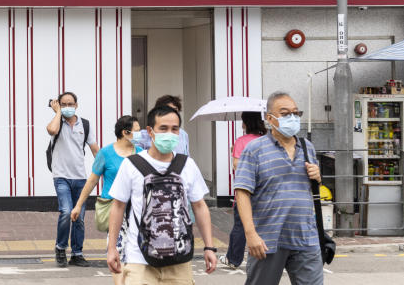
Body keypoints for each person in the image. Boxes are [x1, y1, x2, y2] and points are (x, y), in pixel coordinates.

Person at [106, 104, 218, 284]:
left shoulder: (187, 164)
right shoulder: (131, 165)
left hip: (178, 258)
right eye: (163, 128)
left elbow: (199, 206)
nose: (169, 134)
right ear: (150, 131)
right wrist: (112, 248)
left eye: (175, 129)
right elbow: (118, 206)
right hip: (139, 258)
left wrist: (209, 247)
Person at [234, 91, 323, 285]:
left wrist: (317, 177)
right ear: (269, 118)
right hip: (267, 240)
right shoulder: (254, 149)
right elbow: (242, 192)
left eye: (295, 113)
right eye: (285, 114)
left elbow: (311, 188)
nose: (292, 118)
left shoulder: (307, 147)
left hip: (305, 238)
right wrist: (250, 234)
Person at [70, 115, 140, 285]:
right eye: (137, 131)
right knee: (117, 250)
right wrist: (78, 205)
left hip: (137, 211)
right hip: (114, 209)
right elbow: (92, 180)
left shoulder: (141, 153)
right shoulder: (106, 153)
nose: (140, 135)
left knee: (137, 253)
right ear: (125, 132)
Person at [47, 91, 99, 267]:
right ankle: (60, 248)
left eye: (71, 104)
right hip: (61, 176)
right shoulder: (57, 123)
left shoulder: (85, 125)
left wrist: (102, 170)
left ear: (76, 105)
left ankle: (77, 253)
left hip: (80, 178)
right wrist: (58, 113)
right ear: (59, 106)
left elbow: (94, 149)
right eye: (64, 104)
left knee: (80, 217)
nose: (68, 107)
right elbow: (51, 130)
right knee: (67, 212)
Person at [224, 111, 268, 268]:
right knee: (266, 224)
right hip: (265, 192)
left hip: (246, 191)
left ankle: (234, 259)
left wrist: (234, 152)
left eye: (243, 121)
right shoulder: (267, 140)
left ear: (247, 123)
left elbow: (236, 165)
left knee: (240, 226)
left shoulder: (241, 141)